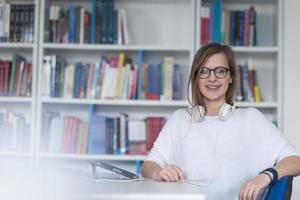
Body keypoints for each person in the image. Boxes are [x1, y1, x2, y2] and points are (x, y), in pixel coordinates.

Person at [141, 42, 300, 200]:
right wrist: (159, 172)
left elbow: (295, 161)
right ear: (196, 77)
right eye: (204, 72)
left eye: (220, 71)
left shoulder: (251, 118)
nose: (212, 78)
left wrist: (266, 176)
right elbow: (149, 165)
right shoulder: (179, 120)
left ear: (230, 77)